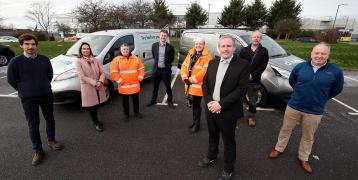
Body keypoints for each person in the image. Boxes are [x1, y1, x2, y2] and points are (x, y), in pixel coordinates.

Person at [268, 43, 344, 174]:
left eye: (323, 53)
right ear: (311, 53)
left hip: (314, 110)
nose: (319, 56)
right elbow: (293, 81)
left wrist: (321, 98)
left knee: (308, 136)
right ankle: (279, 148)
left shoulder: (335, 71)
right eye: (317, 53)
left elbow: (337, 89)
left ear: (328, 55)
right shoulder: (300, 67)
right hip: (294, 106)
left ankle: (303, 157)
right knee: (285, 129)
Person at [7, 33, 63, 166]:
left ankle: (51, 140)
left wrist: (43, 86)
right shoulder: (15, 62)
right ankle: (38, 150)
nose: (30, 46)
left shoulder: (44, 59)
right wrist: (24, 90)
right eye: (26, 44)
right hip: (28, 98)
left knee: (50, 118)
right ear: (21, 45)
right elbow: (12, 80)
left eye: (32, 44)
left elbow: (48, 75)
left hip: (46, 95)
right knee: (33, 124)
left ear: (36, 45)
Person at [198, 35, 249, 180]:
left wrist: (220, 104)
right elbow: (205, 84)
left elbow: (242, 89)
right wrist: (209, 102)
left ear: (234, 48)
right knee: (212, 135)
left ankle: (228, 168)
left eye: (229, 46)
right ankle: (212, 156)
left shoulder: (242, 64)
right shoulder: (213, 63)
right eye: (223, 46)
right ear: (218, 48)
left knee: (228, 141)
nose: (226, 49)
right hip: (210, 108)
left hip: (228, 111)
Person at [180, 37, 213, 133]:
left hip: (198, 87)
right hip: (189, 85)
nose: (198, 45)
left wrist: (190, 80)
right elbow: (184, 66)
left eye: (200, 44)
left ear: (204, 45)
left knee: (197, 106)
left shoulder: (207, 57)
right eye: (196, 44)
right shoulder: (191, 53)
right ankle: (194, 122)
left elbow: (204, 72)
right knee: (193, 105)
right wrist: (184, 77)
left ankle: (197, 125)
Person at [75, 42, 108, 132]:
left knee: (97, 104)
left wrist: (100, 81)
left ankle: (96, 119)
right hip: (88, 87)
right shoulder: (78, 61)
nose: (86, 50)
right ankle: (96, 122)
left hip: (98, 85)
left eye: (87, 48)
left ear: (90, 50)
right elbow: (81, 76)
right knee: (92, 106)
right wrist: (94, 83)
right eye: (84, 49)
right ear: (81, 51)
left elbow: (102, 72)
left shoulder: (95, 60)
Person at [239, 31, 269, 127]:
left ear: (260, 39)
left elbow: (263, 66)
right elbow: (240, 63)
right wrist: (244, 74)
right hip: (242, 79)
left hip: (254, 80)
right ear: (251, 38)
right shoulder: (244, 50)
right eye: (254, 37)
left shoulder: (264, 51)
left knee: (253, 100)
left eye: (258, 37)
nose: (256, 38)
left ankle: (251, 117)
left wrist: (253, 74)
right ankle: (237, 115)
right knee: (238, 98)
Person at [110, 43, 144, 121]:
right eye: (124, 49)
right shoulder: (116, 60)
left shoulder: (135, 58)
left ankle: (136, 112)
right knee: (125, 103)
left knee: (136, 101)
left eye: (127, 49)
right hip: (124, 86)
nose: (125, 50)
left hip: (135, 85)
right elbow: (113, 72)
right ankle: (126, 115)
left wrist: (139, 78)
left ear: (129, 50)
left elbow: (141, 68)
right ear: (121, 50)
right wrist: (120, 81)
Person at [147, 29, 176, 109]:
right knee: (155, 87)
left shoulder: (170, 47)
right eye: (162, 35)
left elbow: (172, 58)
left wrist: (167, 66)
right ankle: (153, 101)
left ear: (167, 37)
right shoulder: (154, 45)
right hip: (156, 70)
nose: (163, 37)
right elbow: (154, 56)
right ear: (159, 36)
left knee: (168, 87)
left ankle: (170, 102)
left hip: (165, 71)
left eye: (165, 35)